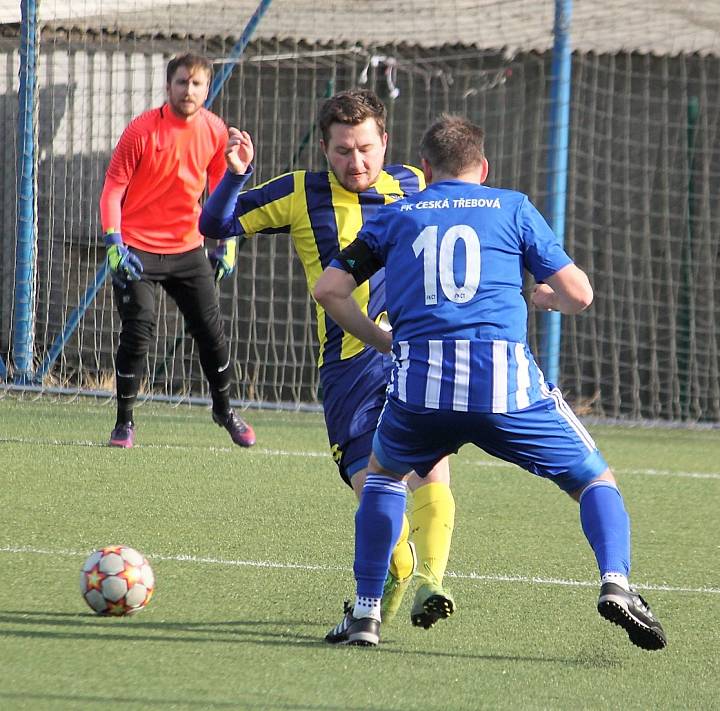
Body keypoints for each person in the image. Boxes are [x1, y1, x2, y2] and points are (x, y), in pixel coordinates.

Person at [314, 114, 667, 650]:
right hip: (507, 389)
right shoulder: (513, 207)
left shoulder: (397, 215)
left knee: (384, 478)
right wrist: (549, 300)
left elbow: (329, 290)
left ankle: (365, 614)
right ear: (484, 168)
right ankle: (616, 581)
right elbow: (580, 294)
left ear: (425, 169)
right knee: (596, 480)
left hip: (421, 390)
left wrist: (381, 340)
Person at [199, 89, 456, 627]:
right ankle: (402, 566)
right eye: (342, 150)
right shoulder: (299, 193)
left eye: (365, 148)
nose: (356, 162)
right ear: (323, 148)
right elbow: (214, 225)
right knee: (371, 485)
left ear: (385, 142)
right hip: (350, 367)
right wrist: (236, 176)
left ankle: (431, 579)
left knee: (431, 469)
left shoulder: (413, 183)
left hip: (416, 355)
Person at [99, 52, 255, 450]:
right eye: (182, 82)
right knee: (139, 330)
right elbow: (113, 189)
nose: (189, 90)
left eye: (197, 83)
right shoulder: (140, 130)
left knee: (212, 334)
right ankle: (124, 422)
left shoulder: (217, 131)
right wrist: (114, 243)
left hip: (189, 250)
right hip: (137, 251)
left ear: (207, 88)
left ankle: (224, 410)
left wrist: (227, 245)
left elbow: (225, 196)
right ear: (168, 86)